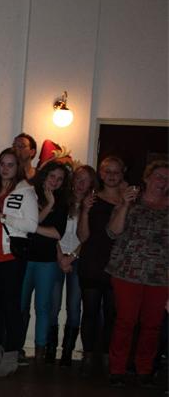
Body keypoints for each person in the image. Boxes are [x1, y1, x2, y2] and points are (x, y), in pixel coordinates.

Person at [0, 147, 38, 377]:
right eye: (2, 163)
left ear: (17, 167)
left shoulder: (26, 192)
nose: (5, 168)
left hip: (10, 257)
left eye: (10, 164)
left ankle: (11, 356)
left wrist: (2, 217)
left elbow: (32, 225)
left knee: (11, 307)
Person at [105, 160, 168, 388]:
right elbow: (113, 232)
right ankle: (117, 369)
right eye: (159, 176)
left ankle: (144, 370)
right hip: (127, 272)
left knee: (152, 325)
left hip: (160, 276)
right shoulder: (130, 200)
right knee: (125, 322)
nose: (163, 182)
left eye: (167, 179)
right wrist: (124, 205)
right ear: (147, 178)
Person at [19, 160, 71, 364]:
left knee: (43, 307)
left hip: (47, 262)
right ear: (44, 175)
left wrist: (33, 227)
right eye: (52, 176)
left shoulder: (62, 203)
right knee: (20, 305)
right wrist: (47, 206)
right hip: (24, 258)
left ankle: (40, 350)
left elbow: (57, 233)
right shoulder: (30, 195)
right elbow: (27, 224)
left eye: (60, 179)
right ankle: (16, 348)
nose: (55, 182)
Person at [77, 156, 124, 376]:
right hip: (92, 263)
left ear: (122, 173)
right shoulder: (91, 199)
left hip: (117, 265)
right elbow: (82, 236)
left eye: (116, 171)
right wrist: (85, 211)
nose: (112, 175)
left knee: (112, 314)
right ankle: (87, 356)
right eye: (107, 171)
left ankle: (107, 356)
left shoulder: (129, 200)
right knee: (90, 312)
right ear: (101, 174)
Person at [49, 164, 96, 366]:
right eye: (77, 178)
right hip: (57, 257)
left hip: (78, 260)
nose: (80, 183)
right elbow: (52, 230)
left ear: (91, 184)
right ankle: (50, 349)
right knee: (52, 305)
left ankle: (67, 352)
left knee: (74, 306)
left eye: (85, 180)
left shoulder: (93, 206)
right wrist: (60, 256)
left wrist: (72, 257)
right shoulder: (61, 201)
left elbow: (89, 238)